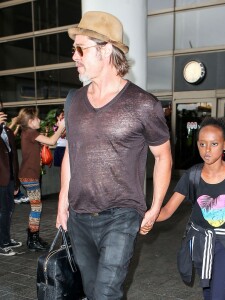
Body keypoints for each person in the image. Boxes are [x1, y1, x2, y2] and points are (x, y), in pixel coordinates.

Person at [56, 11, 172, 300]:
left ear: (105, 49)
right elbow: (73, 151)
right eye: (74, 49)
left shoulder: (143, 104)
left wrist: (155, 206)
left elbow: (163, 157)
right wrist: (62, 202)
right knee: (94, 293)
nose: (75, 56)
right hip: (80, 216)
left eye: (80, 48)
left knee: (106, 293)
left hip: (122, 214)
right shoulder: (73, 101)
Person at [145, 118, 225, 300]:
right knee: (208, 292)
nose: (207, 150)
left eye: (213, 144)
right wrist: (144, 217)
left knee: (218, 295)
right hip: (201, 242)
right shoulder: (192, 176)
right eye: (202, 144)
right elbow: (167, 210)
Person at [14, 107, 65, 251]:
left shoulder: (28, 133)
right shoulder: (31, 132)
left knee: (36, 207)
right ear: (30, 121)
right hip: (29, 175)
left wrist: (56, 131)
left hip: (29, 175)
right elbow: (52, 140)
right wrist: (61, 126)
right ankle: (32, 240)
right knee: (37, 207)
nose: (40, 120)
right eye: (37, 118)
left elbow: (51, 142)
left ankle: (33, 237)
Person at [0, 102, 22, 256]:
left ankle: (6, 239)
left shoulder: (7, 130)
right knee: (1, 211)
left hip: (9, 178)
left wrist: (16, 181)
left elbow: (13, 156)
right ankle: (1, 244)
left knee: (8, 210)